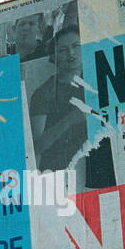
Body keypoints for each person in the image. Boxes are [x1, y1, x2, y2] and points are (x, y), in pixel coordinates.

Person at [28, 20, 88, 172]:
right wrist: (70, 120)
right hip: (61, 174)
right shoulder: (44, 93)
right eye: (63, 50)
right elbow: (35, 147)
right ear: (54, 57)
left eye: (76, 46)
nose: (71, 54)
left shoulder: (96, 80)